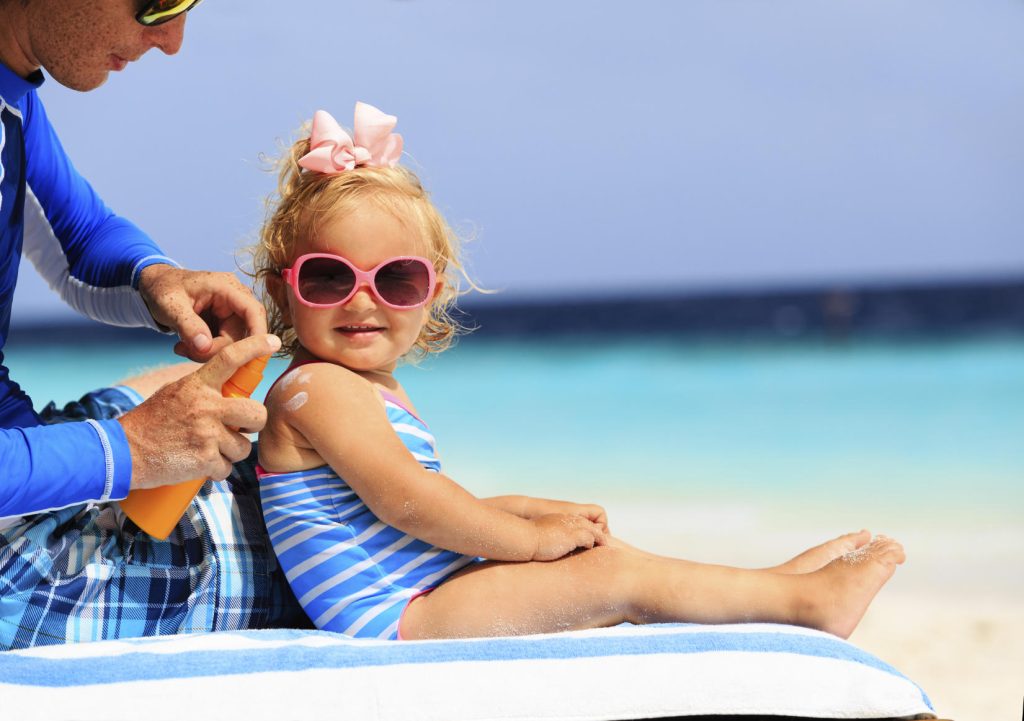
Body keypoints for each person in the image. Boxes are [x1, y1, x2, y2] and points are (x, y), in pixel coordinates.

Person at [253, 104, 906, 642]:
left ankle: (776, 589)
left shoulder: (365, 389)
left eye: (396, 278)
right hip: (397, 621)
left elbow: (420, 501)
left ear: (432, 294)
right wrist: (529, 541)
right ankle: (801, 604)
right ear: (284, 293)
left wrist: (534, 512)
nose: (362, 299)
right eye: (328, 277)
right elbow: (410, 502)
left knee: (605, 561)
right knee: (610, 578)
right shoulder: (321, 390)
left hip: (421, 596)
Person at [0, 0, 297, 650]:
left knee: (215, 408)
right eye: (157, 1)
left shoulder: (9, 96)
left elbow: (77, 231)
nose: (171, 40)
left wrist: (159, 280)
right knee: (293, 559)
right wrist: (132, 449)